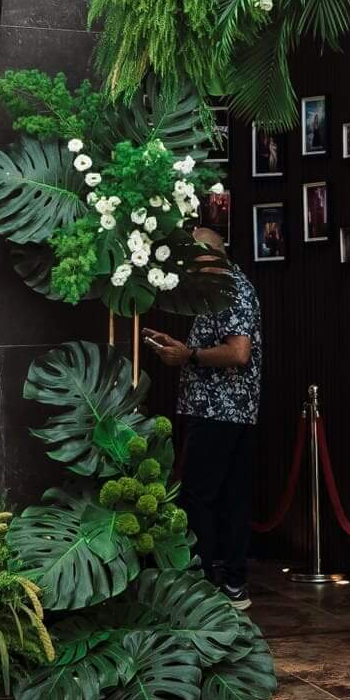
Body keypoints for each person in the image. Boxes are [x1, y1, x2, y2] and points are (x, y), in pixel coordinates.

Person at [143, 226, 262, 606]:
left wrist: (189, 355)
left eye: (189, 260)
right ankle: (231, 584)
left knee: (200, 497)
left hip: (219, 411)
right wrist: (182, 349)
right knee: (228, 497)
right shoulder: (220, 290)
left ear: (206, 256)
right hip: (223, 411)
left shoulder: (231, 289)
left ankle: (206, 587)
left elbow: (239, 352)